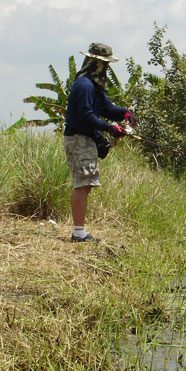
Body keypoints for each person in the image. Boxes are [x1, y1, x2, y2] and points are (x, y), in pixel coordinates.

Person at [64, 42, 137, 242]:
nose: (106, 67)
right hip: (78, 139)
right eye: (103, 63)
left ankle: (79, 231)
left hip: (87, 140)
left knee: (86, 184)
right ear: (94, 62)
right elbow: (87, 116)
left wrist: (125, 113)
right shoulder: (84, 85)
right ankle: (78, 234)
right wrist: (109, 128)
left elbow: (107, 109)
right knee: (82, 184)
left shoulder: (95, 88)